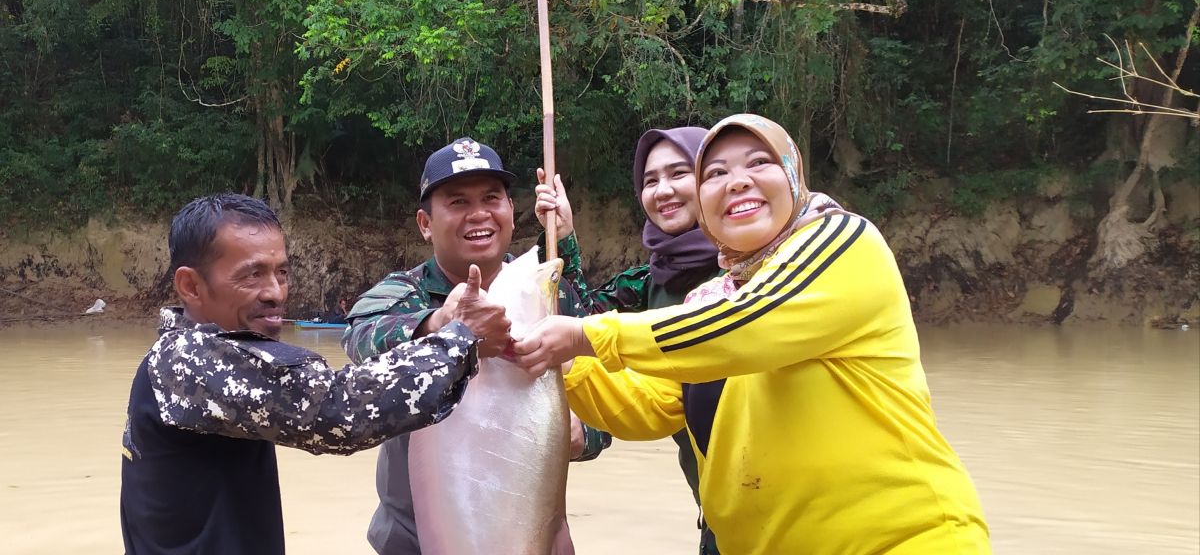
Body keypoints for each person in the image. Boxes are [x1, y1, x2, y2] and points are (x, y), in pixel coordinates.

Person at [512, 114, 992, 555]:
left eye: (759, 162)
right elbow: (650, 405)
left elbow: (745, 323)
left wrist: (585, 336)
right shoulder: (709, 299)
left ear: (793, 176)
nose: (737, 180)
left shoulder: (843, 241)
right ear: (704, 204)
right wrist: (565, 365)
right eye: (715, 173)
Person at [120, 193, 511, 555]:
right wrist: (462, 340)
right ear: (191, 285)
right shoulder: (191, 359)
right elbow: (338, 411)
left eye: (281, 272)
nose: (275, 292)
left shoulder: (187, 352)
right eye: (252, 275)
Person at [342, 137, 609, 555]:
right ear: (425, 223)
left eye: (491, 198)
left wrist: (584, 433)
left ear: (510, 212)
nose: (479, 214)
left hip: (524, 530)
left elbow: (606, 393)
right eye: (458, 202)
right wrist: (445, 324)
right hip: (412, 541)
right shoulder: (407, 292)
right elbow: (360, 339)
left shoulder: (542, 293)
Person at [535, 126, 722, 554]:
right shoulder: (650, 282)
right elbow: (582, 327)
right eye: (650, 180)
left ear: (711, 179)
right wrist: (563, 237)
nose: (664, 190)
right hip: (719, 516)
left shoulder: (758, 273)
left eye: (679, 173)